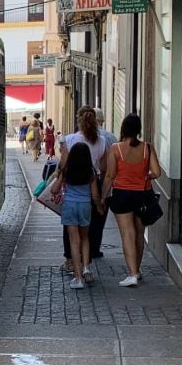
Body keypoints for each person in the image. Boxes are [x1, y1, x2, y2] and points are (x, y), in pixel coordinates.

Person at [102, 113, 162, 287]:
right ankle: (137, 269)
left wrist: (103, 195)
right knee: (138, 233)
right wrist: (146, 177)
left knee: (127, 234)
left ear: (123, 129)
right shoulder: (147, 148)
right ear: (138, 130)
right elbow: (157, 173)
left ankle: (132, 273)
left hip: (122, 195)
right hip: (143, 195)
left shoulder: (116, 148)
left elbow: (110, 175)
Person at [59, 107, 109, 272]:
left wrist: (59, 178)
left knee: (70, 228)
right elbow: (103, 168)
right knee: (88, 228)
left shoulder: (70, 139)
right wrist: (101, 197)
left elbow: (63, 164)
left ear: (78, 120)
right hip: (92, 184)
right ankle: (87, 262)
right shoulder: (101, 141)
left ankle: (71, 260)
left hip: (73, 185)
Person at [58, 141, 104, 289]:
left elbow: (53, 190)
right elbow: (95, 195)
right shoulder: (90, 172)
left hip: (70, 206)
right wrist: (99, 206)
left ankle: (78, 278)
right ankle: (86, 268)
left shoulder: (66, 170)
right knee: (85, 238)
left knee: (74, 241)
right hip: (85, 206)